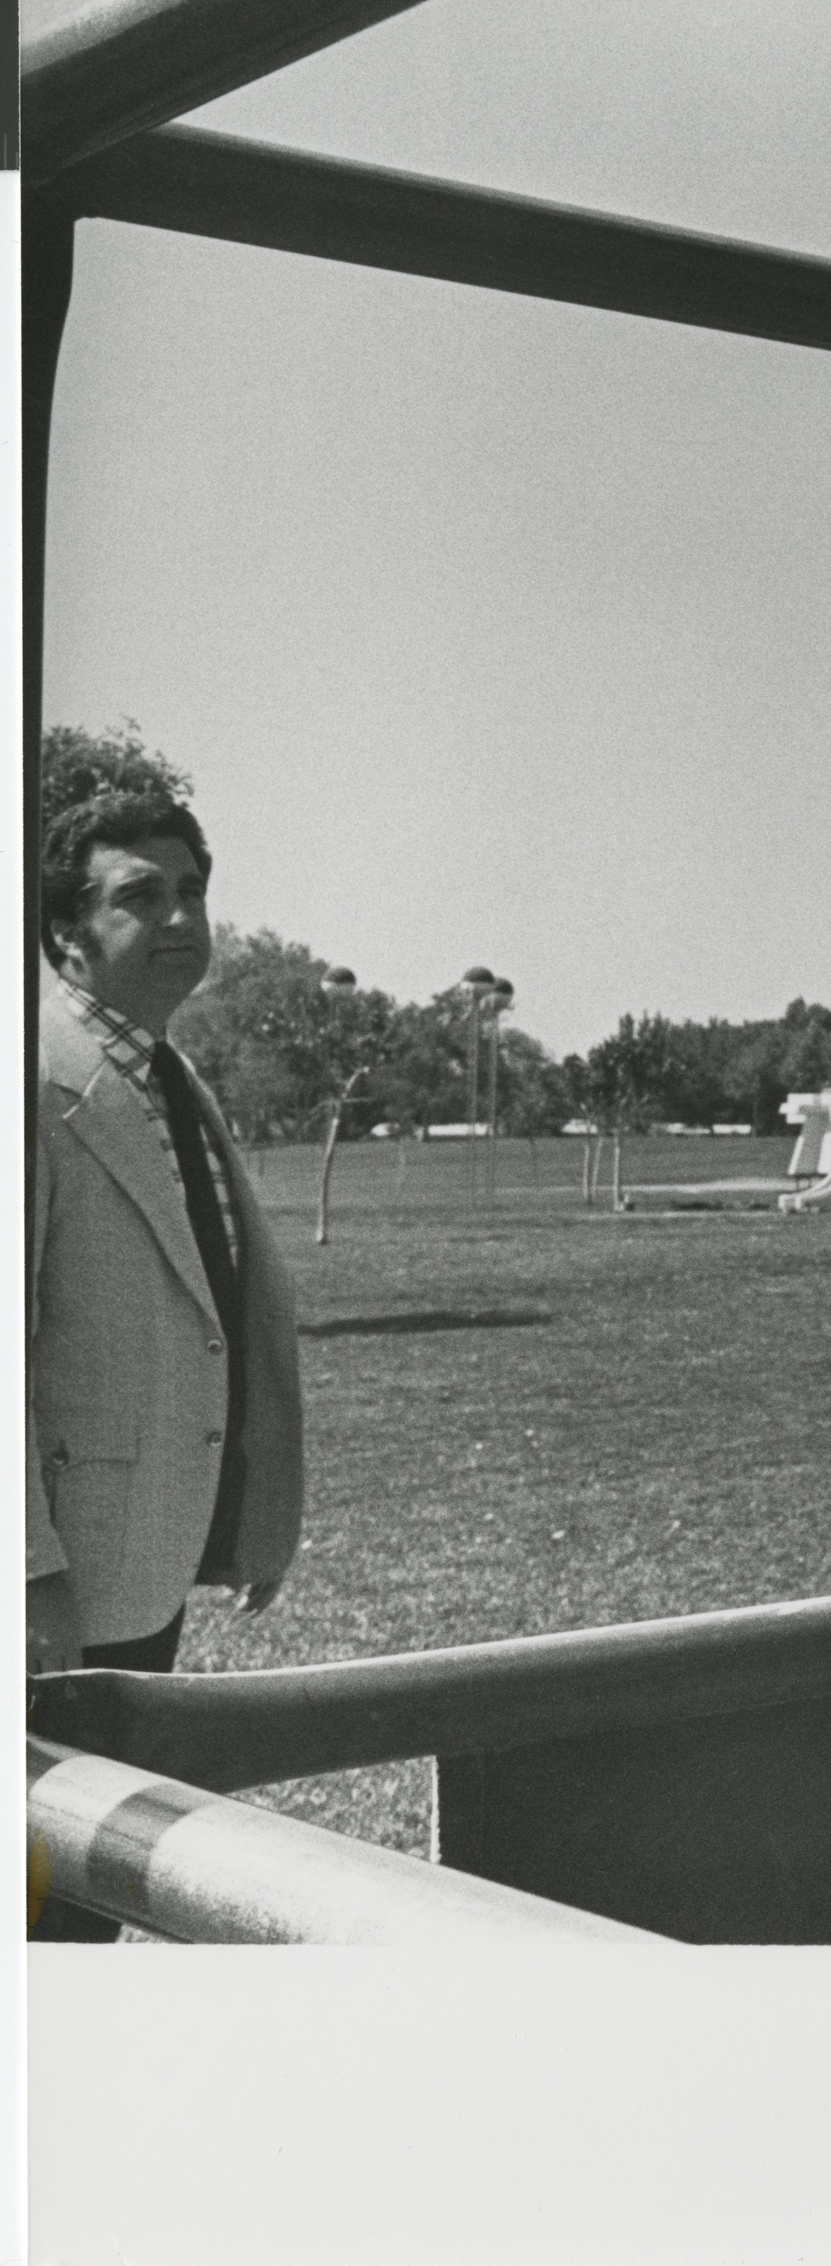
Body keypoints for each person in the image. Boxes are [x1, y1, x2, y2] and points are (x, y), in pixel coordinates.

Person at [29, 790, 305, 1940]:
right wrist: (28, 1575)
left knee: (90, 1891)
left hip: (141, 1558)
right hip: (58, 1590)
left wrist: (252, 1506)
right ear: (63, 933)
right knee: (43, 1899)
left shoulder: (168, 1074)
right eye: (142, 895)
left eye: (193, 888)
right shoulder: (33, 1080)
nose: (183, 916)